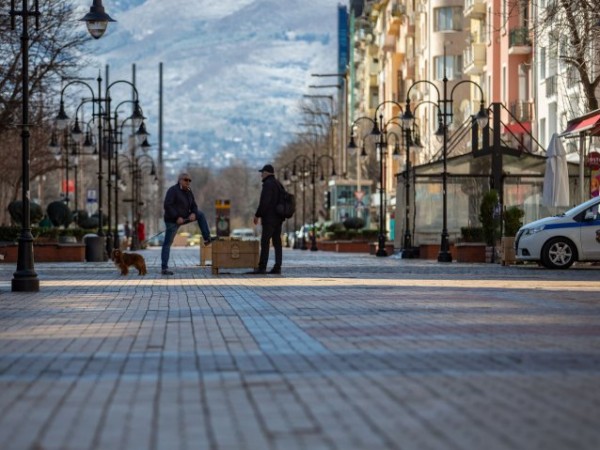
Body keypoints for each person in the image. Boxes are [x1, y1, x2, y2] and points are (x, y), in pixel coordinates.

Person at [161, 172, 212, 275]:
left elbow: (194, 205)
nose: (188, 182)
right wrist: (176, 217)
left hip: (185, 217)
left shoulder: (189, 191)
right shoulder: (173, 190)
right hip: (172, 220)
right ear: (180, 180)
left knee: (200, 214)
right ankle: (164, 268)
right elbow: (167, 205)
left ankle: (207, 238)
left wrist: (193, 213)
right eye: (186, 180)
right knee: (168, 243)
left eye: (189, 180)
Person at [252, 164, 284, 274]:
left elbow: (264, 202)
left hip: (269, 219)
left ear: (266, 173)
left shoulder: (268, 185)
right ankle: (277, 266)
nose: (261, 175)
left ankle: (262, 267)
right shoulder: (279, 184)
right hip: (278, 219)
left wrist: (257, 215)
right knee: (277, 242)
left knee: (265, 242)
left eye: (262, 173)